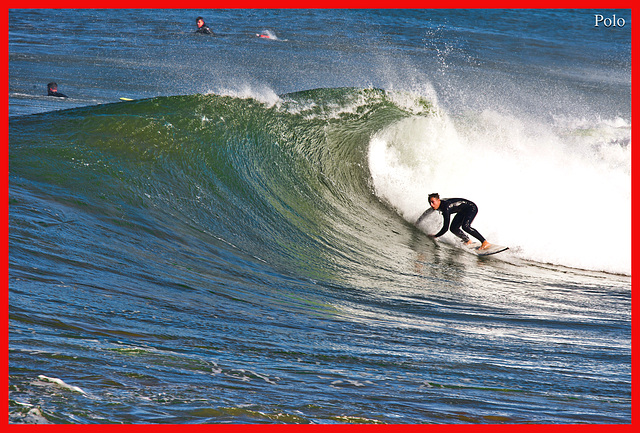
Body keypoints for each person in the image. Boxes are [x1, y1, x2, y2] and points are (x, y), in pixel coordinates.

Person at [416, 193, 491, 250]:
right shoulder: (437, 205)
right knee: (453, 228)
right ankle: (467, 240)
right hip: (462, 210)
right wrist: (418, 222)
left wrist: (435, 236)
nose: (431, 205)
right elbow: (427, 212)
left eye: (433, 202)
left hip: (471, 208)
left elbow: (445, 228)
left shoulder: (446, 208)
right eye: (430, 203)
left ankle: (485, 242)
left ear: (438, 200)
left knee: (465, 226)